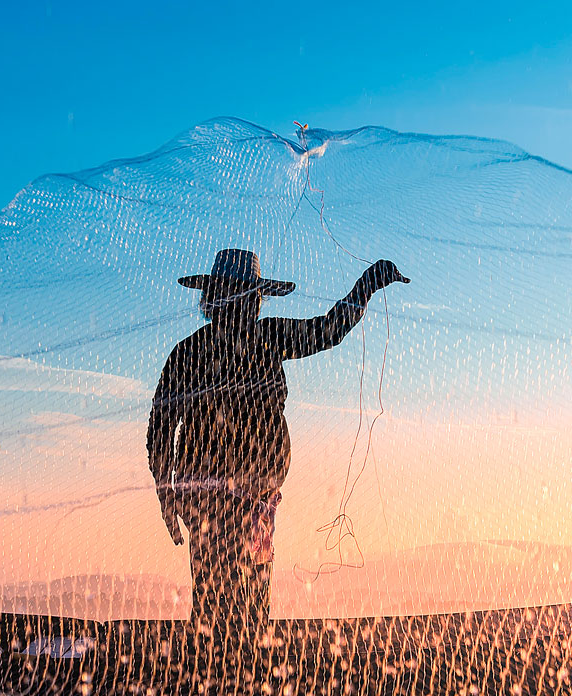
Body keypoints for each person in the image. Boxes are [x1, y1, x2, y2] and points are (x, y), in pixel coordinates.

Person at [147, 248, 408, 641]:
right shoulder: (200, 351)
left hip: (247, 499)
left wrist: (366, 287)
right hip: (219, 498)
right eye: (242, 297)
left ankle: (226, 675)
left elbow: (328, 330)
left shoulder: (219, 346)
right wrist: (167, 493)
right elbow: (161, 429)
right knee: (236, 594)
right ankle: (229, 676)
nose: (246, 306)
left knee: (235, 593)